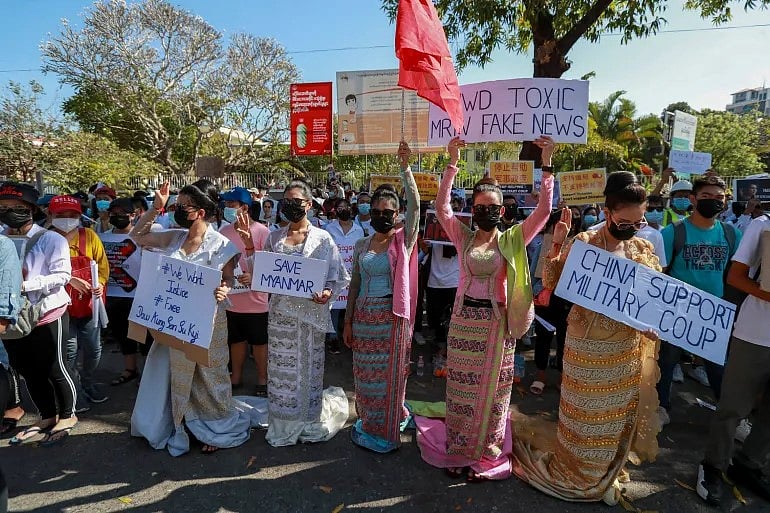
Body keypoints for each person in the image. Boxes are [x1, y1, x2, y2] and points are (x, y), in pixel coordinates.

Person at [513, 171, 662, 505]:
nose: (633, 229)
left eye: (638, 222)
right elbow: (551, 280)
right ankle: (581, 471)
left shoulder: (642, 248)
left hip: (624, 347)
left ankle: (605, 470)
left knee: (613, 415)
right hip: (585, 345)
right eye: (626, 221)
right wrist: (557, 242)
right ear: (608, 212)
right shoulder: (584, 244)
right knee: (583, 414)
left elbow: (654, 299)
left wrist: (653, 325)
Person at [415, 136, 554, 480]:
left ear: (501, 211)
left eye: (492, 207)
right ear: (473, 210)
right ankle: (460, 451)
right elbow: (442, 208)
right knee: (461, 391)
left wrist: (546, 162)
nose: (485, 211)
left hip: (497, 326)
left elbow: (543, 212)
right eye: (480, 206)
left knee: (493, 394)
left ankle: (488, 455)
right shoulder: (462, 236)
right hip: (463, 323)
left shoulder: (512, 239)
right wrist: (452, 162)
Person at [129, 180, 259, 455]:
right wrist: (156, 209)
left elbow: (228, 280)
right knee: (174, 373)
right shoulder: (175, 237)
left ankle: (214, 425)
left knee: (209, 376)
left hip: (208, 321)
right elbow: (137, 237)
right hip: (174, 320)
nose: (177, 210)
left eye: (182, 206)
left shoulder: (222, 245)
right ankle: (181, 422)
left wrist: (225, 289)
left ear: (200, 211)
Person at [342, 142, 419, 453]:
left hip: (392, 318)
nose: (381, 216)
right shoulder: (361, 244)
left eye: (387, 212)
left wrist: (405, 168)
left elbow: (416, 206)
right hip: (363, 318)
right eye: (375, 212)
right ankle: (371, 420)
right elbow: (355, 285)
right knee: (365, 374)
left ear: (397, 215)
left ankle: (386, 429)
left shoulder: (404, 240)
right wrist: (347, 322)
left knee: (390, 375)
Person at [264, 179, 350, 447]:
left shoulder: (323, 239)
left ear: (310, 205)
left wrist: (327, 295)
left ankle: (307, 419)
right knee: (281, 372)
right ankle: (283, 422)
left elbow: (336, 277)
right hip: (280, 318)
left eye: (296, 201)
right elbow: (266, 274)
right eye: (286, 200)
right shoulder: (273, 237)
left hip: (311, 318)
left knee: (308, 372)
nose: (290, 205)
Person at [697, 211, 770, 506]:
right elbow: (736, 277)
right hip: (755, 335)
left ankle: (749, 464)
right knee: (733, 408)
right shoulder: (763, 225)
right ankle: (713, 466)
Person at [657, 175, 739, 426]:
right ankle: (660, 408)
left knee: (718, 366)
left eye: (718, 198)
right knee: (667, 362)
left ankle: (729, 419)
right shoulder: (674, 232)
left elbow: (735, 272)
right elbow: (660, 270)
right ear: (693, 199)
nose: (713, 201)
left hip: (713, 312)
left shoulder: (731, 233)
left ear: (725, 202)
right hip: (677, 309)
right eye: (706, 197)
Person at [0, 182, 76, 446]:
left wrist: (23, 285)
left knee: (55, 367)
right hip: (12, 316)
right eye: (4, 208)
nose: (10, 213)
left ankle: (68, 415)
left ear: (31, 210)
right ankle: (46, 415)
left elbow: (62, 275)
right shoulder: (1, 238)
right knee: (27, 370)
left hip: (46, 312)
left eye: (17, 208)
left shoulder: (51, 239)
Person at [49, 195, 110, 410]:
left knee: (94, 349)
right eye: (61, 215)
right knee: (70, 350)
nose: (67, 219)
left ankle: (88, 381)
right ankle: (74, 391)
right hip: (60, 307)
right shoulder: (45, 239)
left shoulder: (90, 236)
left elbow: (103, 267)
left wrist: (100, 283)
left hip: (89, 306)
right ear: (51, 216)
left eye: (72, 215)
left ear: (79, 216)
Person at [218, 187, 270, 395]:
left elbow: (269, 264)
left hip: (257, 302)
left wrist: (254, 276)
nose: (227, 208)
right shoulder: (223, 232)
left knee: (259, 343)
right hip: (233, 301)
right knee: (236, 341)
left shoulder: (263, 232)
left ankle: (262, 379)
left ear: (244, 207)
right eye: (226, 204)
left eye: (231, 205)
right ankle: (236, 376)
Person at [102, 198, 152, 386]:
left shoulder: (145, 237)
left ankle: (149, 372)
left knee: (145, 336)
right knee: (123, 334)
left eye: (123, 213)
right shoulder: (103, 237)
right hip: (115, 295)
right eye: (114, 213)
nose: (118, 217)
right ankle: (130, 369)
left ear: (134, 214)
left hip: (140, 295)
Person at [325, 197, 364, 355]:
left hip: (353, 273)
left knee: (352, 306)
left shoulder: (359, 230)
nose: (343, 210)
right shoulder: (329, 228)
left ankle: (351, 336)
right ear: (335, 211)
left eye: (345, 207)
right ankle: (333, 338)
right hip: (335, 274)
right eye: (339, 208)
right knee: (333, 308)